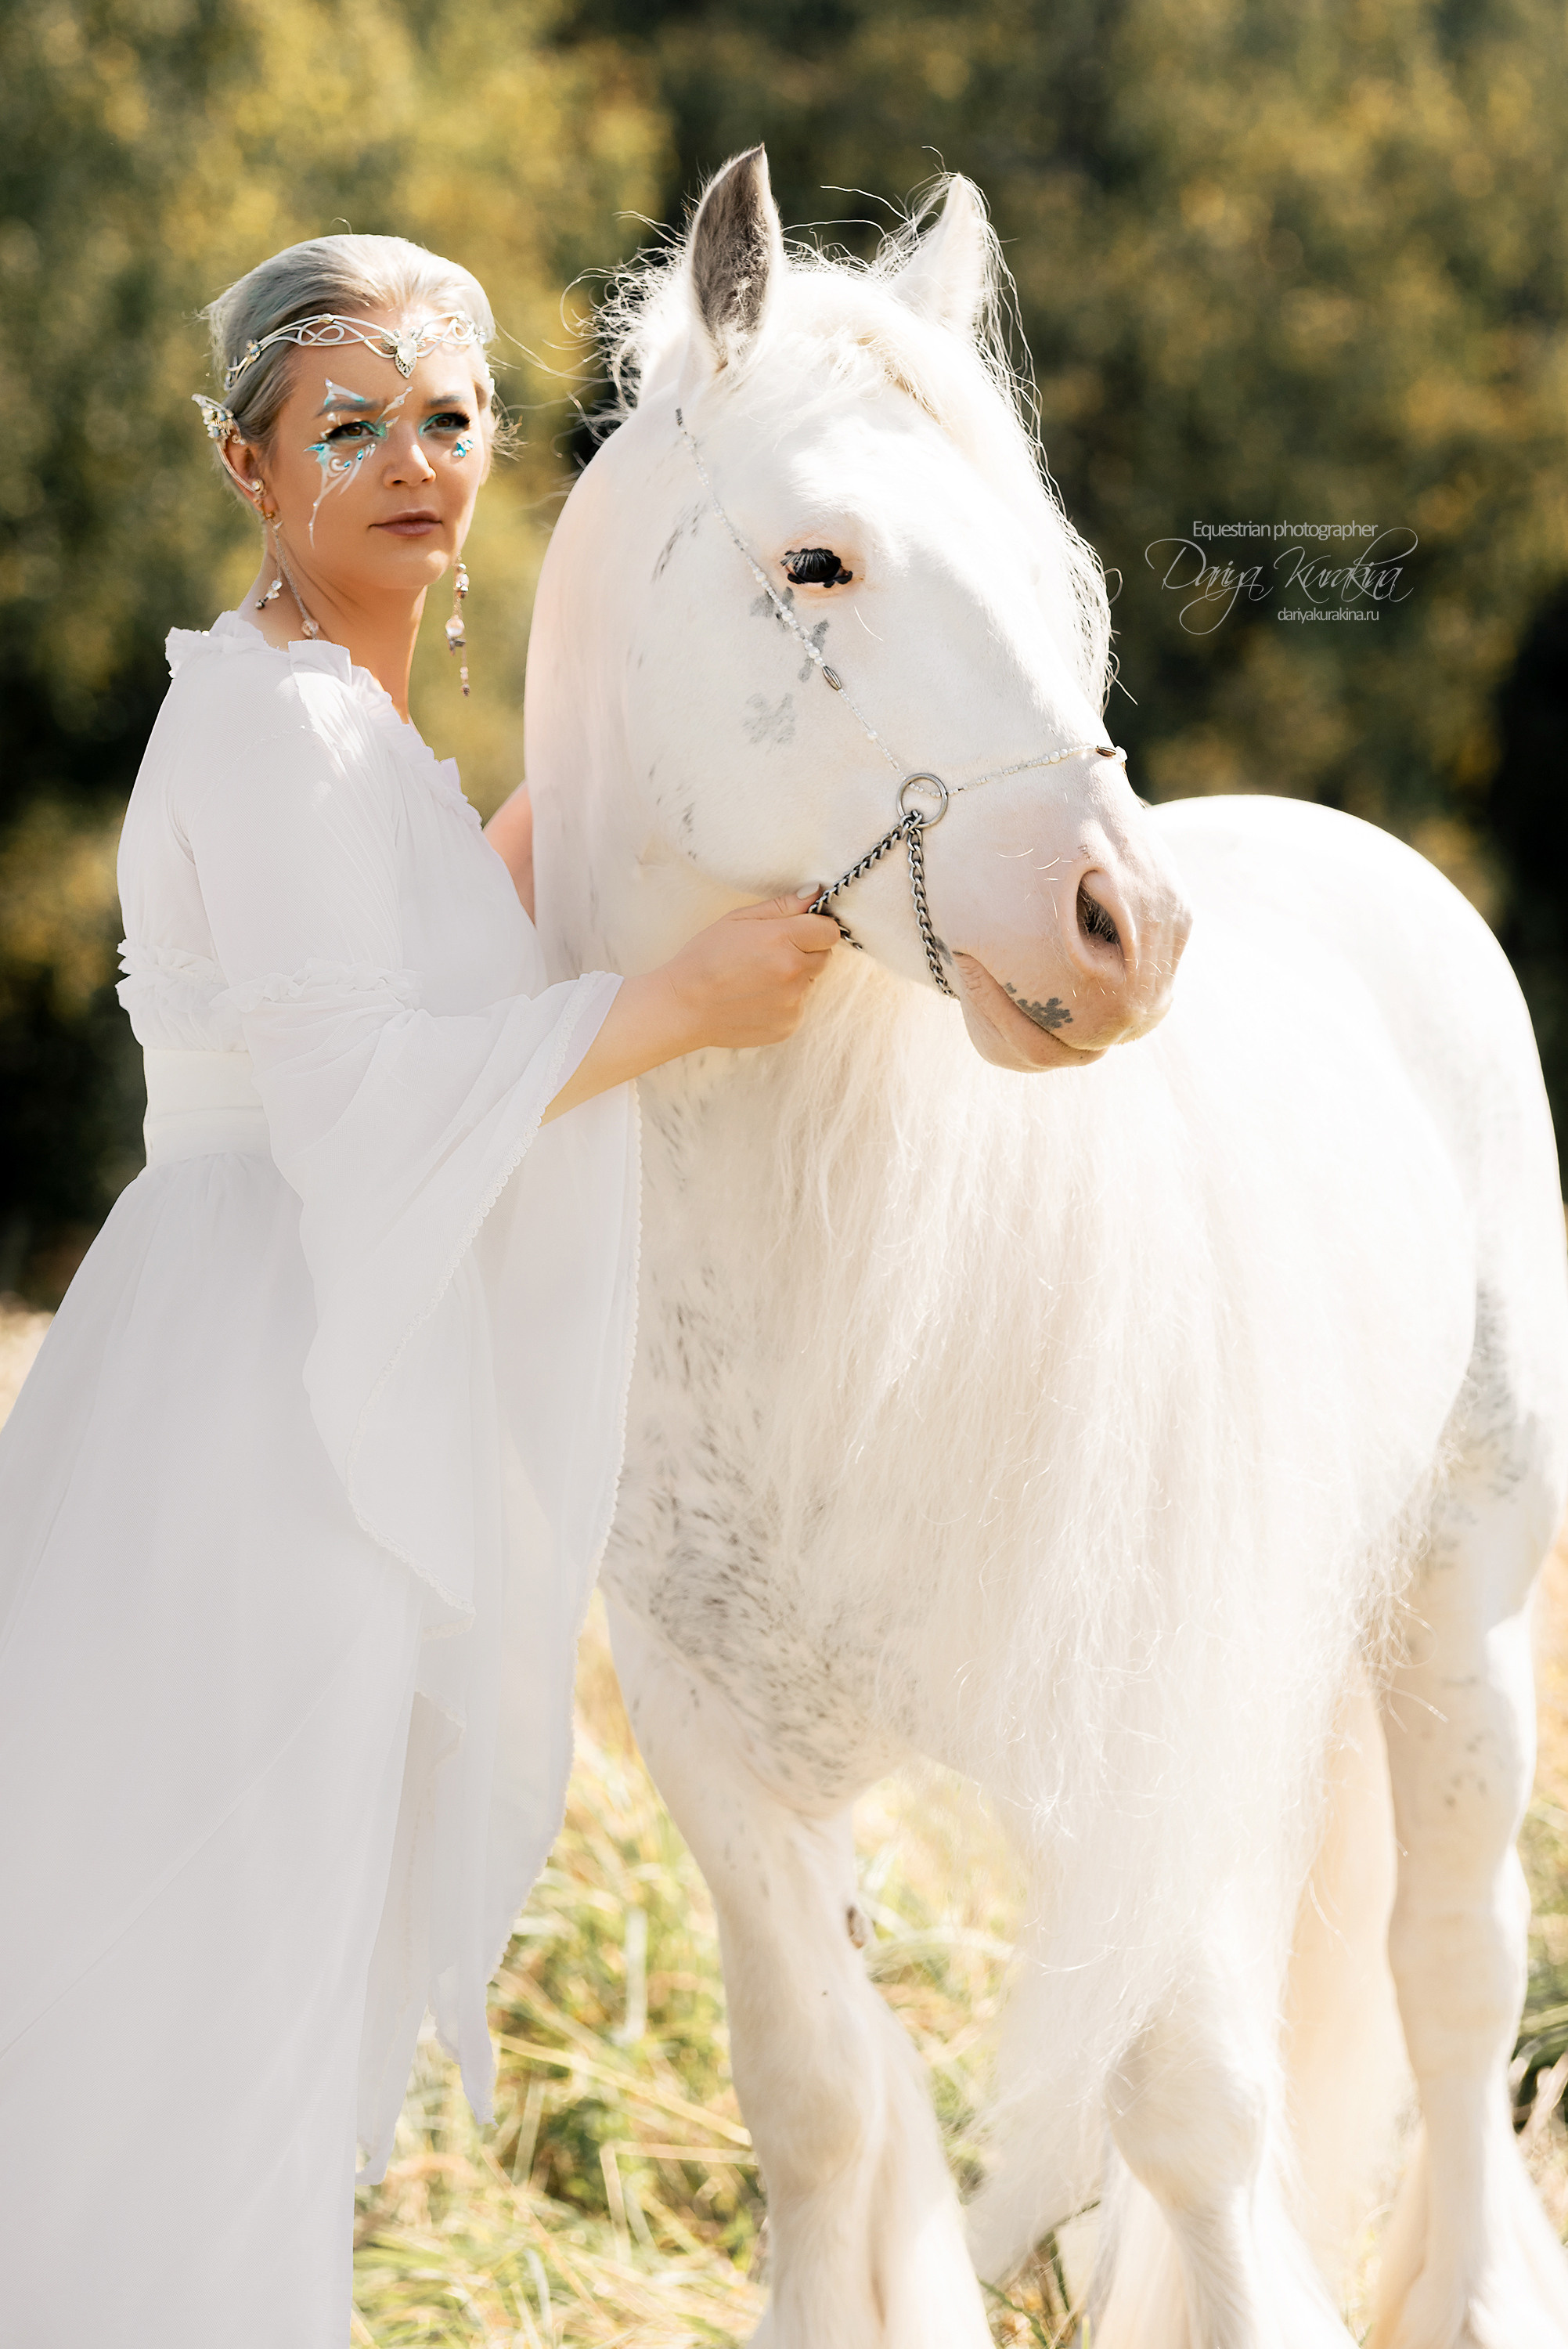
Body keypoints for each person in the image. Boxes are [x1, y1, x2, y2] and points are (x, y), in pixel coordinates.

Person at [0, 233, 836, 2346]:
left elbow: (401, 966)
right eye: (347, 423)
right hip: (252, 1413)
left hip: (289, 1380)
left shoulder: (361, 742)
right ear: (243, 459)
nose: (412, 461)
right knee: (222, 1972)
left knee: (258, 1979)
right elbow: (358, 1100)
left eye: (449, 419)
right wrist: (670, 1005)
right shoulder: (274, 719)